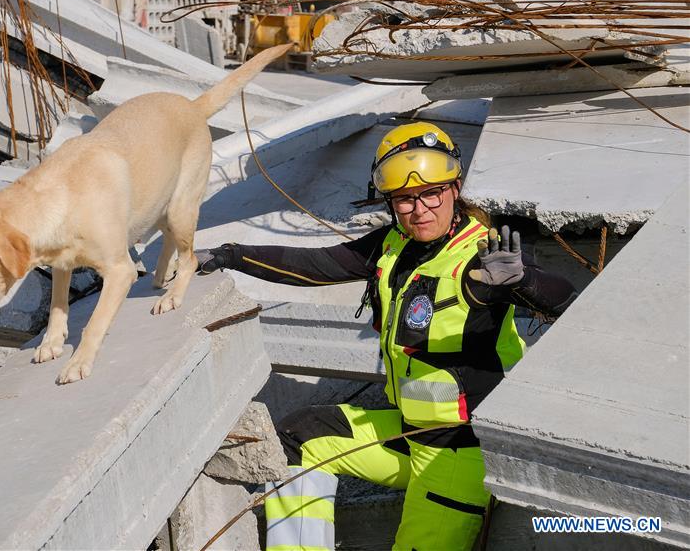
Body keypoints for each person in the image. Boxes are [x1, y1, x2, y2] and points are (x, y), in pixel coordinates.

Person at [195, 122, 577, 551]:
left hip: (461, 453)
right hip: (408, 434)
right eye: (405, 199)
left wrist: (522, 281)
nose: (420, 210)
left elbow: (563, 299)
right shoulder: (394, 245)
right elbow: (314, 265)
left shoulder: (483, 259)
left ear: (455, 188)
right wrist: (229, 254)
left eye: (432, 193)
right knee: (299, 437)